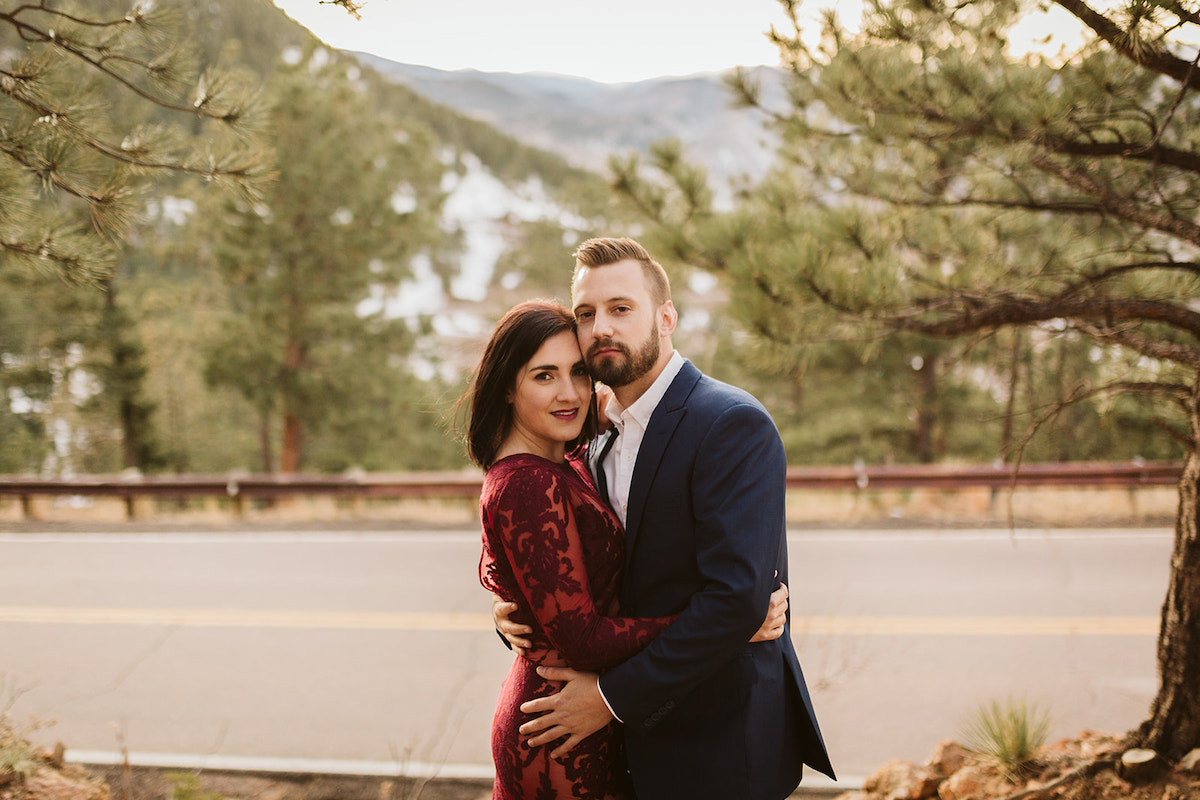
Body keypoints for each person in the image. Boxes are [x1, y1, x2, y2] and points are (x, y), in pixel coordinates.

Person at [503, 238, 835, 800]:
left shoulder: (730, 423)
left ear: (666, 317)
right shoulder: (586, 432)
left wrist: (608, 698)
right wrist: (511, 607)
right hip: (621, 754)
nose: (601, 327)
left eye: (621, 308)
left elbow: (735, 600)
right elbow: (560, 559)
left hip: (716, 742)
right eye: (586, 314)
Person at [463, 300, 788, 800]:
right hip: (560, 728)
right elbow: (582, 635)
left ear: (666, 316)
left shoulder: (572, 448)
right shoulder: (528, 479)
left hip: (591, 722)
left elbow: (545, 575)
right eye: (544, 376)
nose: (569, 393)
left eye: (577, 372)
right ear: (507, 386)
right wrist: (731, 628)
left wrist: (516, 605)